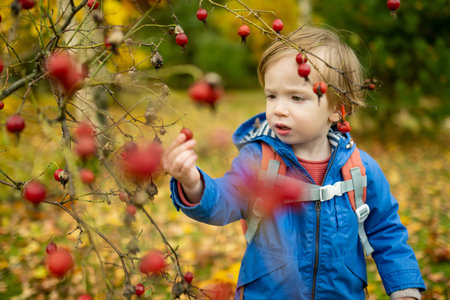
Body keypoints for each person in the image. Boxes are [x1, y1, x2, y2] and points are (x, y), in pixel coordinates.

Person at [162, 26, 425, 299]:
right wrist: (193, 183)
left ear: (336, 109)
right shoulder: (259, 161)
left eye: (296, 98)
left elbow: (386, 230)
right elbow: (224, 201)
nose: (278, 108)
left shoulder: (359, 169)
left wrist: (404, 287)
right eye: (271, 95)